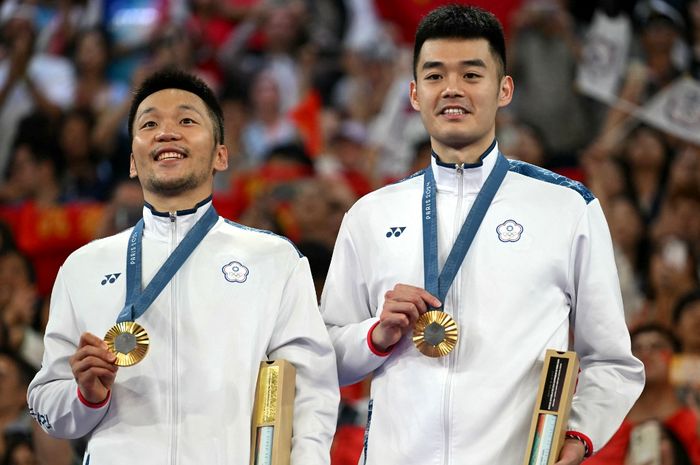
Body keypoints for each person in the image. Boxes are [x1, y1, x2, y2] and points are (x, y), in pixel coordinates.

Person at [320, 5, 644, 465]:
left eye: (472, 75)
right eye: (434, 76)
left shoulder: (566, 207)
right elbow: (327, 354)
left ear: (504, 89)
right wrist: (375, 334)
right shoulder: (370, 215)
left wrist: (576, 437)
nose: (452, 89)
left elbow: (612, 361)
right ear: (414, 94)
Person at [26, 68, 339, 464]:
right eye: (150, 123)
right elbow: (45, 405)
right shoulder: (83, 267)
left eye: (187, 120)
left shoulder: (274, 260)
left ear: (220, 155)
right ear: (132, 162)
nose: (166, 132)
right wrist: (86, 396)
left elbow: (312, 392)